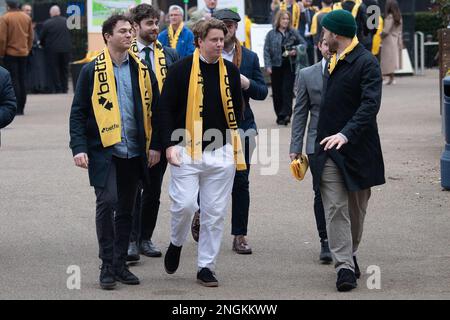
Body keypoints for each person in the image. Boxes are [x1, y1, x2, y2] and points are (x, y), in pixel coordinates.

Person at [69, 14, 161, 290]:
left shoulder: (142, 69)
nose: (129, 35)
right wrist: (79, 147)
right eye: (122, 31)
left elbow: (157, 111)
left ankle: (121, 263)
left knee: (126, 209)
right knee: (107, 202)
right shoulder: (91, 70)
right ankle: (107, 263)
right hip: (104, 151)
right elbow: (78, 112)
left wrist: (156, 144)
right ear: (107, 36)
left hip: (134, 151)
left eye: (130, 31)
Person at [159, 19, 244, 287]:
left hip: (221, 151)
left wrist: (233, 147)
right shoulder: (179, 70)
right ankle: (176, 243)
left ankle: (206, 266)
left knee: (214, 213)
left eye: (222, 40)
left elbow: (237, 111)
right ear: (199, 41)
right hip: (186, 149)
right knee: (184, 205)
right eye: (214, 40)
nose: (220, 44)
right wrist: (169, 145)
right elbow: (164, 110)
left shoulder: (230, 71)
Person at [316, 9, 384, 292]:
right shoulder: (331, 60)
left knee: (357, 210)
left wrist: (346, 133)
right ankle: (343, 266)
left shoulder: (366, 62)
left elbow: (370, 105)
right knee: (335, 208)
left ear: (336, 35)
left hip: (359, 149)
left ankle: (350, 252)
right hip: (328, 150)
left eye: (325, 33)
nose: (322, 37)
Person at [190, 9, 268, 254]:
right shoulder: (200, 56)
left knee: (241, 182)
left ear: (236, 28)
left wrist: (247, 83)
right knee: (207, 176)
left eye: (232, 25)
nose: (228, 30)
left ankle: (240, 235)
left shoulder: (250, 57)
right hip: (209, 127)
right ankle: (202, 214)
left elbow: (262, 92)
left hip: (243, 126)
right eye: (224, 26)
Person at [126, 3, 179, 262]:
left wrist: (160, 142)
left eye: (157, 23)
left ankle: (145, 237)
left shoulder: (169, 55)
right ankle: (130, 240)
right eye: (149, 24)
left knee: (153, 191)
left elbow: (172, 101)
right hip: (133, 136)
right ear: (136, 26)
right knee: (133, 191)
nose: (155, 28)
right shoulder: (126, 55)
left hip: (160, 134)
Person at [290, 31, 332, 263]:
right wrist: (296, 146)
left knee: (344, 193)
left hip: (343, 140)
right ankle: (325, 240)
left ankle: (342, 239)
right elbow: (300, 113)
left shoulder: (346, 72)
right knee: (321, 191)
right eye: (325, 44)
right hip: (316, 143)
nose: (329, 48)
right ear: (319, 46)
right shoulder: (306, 74)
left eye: (331, 44)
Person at [264, 10, 301, 126]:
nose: (286, 21)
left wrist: (296, 50)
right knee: (277, 92)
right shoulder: (271, 33)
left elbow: (304, 44)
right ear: (278, 20)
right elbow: (266, 50)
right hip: (275, 66)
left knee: (287, 90)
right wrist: (268, 65)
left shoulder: (293, 32)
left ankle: (287, 114)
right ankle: (279, 114)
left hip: (289, 66)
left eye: (287, 19)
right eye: (283, 19)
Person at [0, 0, 33, 115]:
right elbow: (31, 37)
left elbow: (2, 38)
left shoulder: (5, 18)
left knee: (13, 80)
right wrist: (27, 49)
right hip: (24, 53)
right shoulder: (26, 17)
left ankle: (16, 106)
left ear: (8, 6)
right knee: (22, 79)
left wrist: (2, 53)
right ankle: (22, 106)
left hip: (10, 53)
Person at [39, 5, 72, 93]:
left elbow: (42, 37)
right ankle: (65, 88)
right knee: (64, 69)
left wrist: (42, 44)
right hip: (66, 49)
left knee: (55, 69)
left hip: (52, 50)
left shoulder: (47, 23)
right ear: (59, 12)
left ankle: (58, 88)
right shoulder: (66, 21)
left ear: (51, 13)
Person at [380, 0, 402, 85]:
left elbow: (386, 30)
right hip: (395, 39)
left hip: (388, 40)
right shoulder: (399, 17)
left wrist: (380, 35)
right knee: (392, 60)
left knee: (386, 60)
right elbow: (400, 30)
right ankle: (391, 78)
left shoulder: (389, 17)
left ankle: (386, 78)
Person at [298, 0, 317, 65]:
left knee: (311, 62)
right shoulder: (296, 10)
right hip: (300, 40)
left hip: (310, 40)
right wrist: (302, 10)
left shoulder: (313, 11)